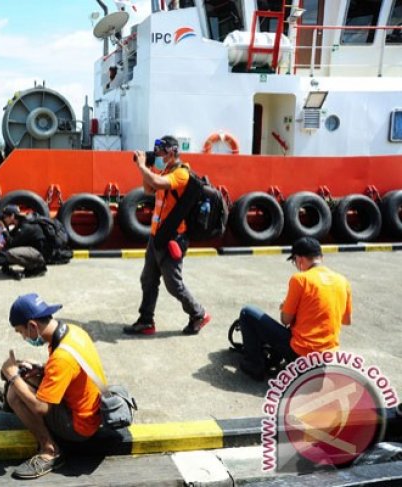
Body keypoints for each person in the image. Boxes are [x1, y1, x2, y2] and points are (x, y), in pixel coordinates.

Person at [1, 293, 106, 479]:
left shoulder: (61, 358)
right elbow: (71, 370)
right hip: (90, 409)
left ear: (32, 326)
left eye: (21, 332)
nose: (23, 337)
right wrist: (42, 369)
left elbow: (40, 408)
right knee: (25, 379)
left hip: (80, 426)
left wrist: (13, 377)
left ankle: (50, 451)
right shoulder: (71, 332)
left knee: (14, 393)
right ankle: (19, 385)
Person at [124, 135, 211, 336]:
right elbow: (149, 188)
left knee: (173, 285)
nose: (159, 155)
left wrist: (142, 166)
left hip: (172, 238)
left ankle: (198, 314)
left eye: (162, 152)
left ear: (172, 152)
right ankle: (146, 321)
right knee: (148, 279)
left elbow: (156, 182)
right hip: (157, 237)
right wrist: (147, 168)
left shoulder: (181, 174)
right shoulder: (165, 170)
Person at [238, 237, 353, 381]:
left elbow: (285, 319)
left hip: (302, 353)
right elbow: (347, 320)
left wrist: (285, 306)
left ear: (299, 259)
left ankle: (254, 365)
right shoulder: (342, 281)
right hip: (327, 356)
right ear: (321, 257)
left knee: (248, 312)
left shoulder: (300, 279)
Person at [0, 205, 48, 279]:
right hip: (32, 250)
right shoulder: (19, 224)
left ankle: (37, 268)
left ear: (12, 216)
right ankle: (33, 265)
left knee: (10, 253)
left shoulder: (25, 226)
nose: (4, 219)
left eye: (5, 217)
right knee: (5, 250)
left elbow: (12, 243)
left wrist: (4, 229)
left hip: (39, 254)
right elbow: (11, 238)